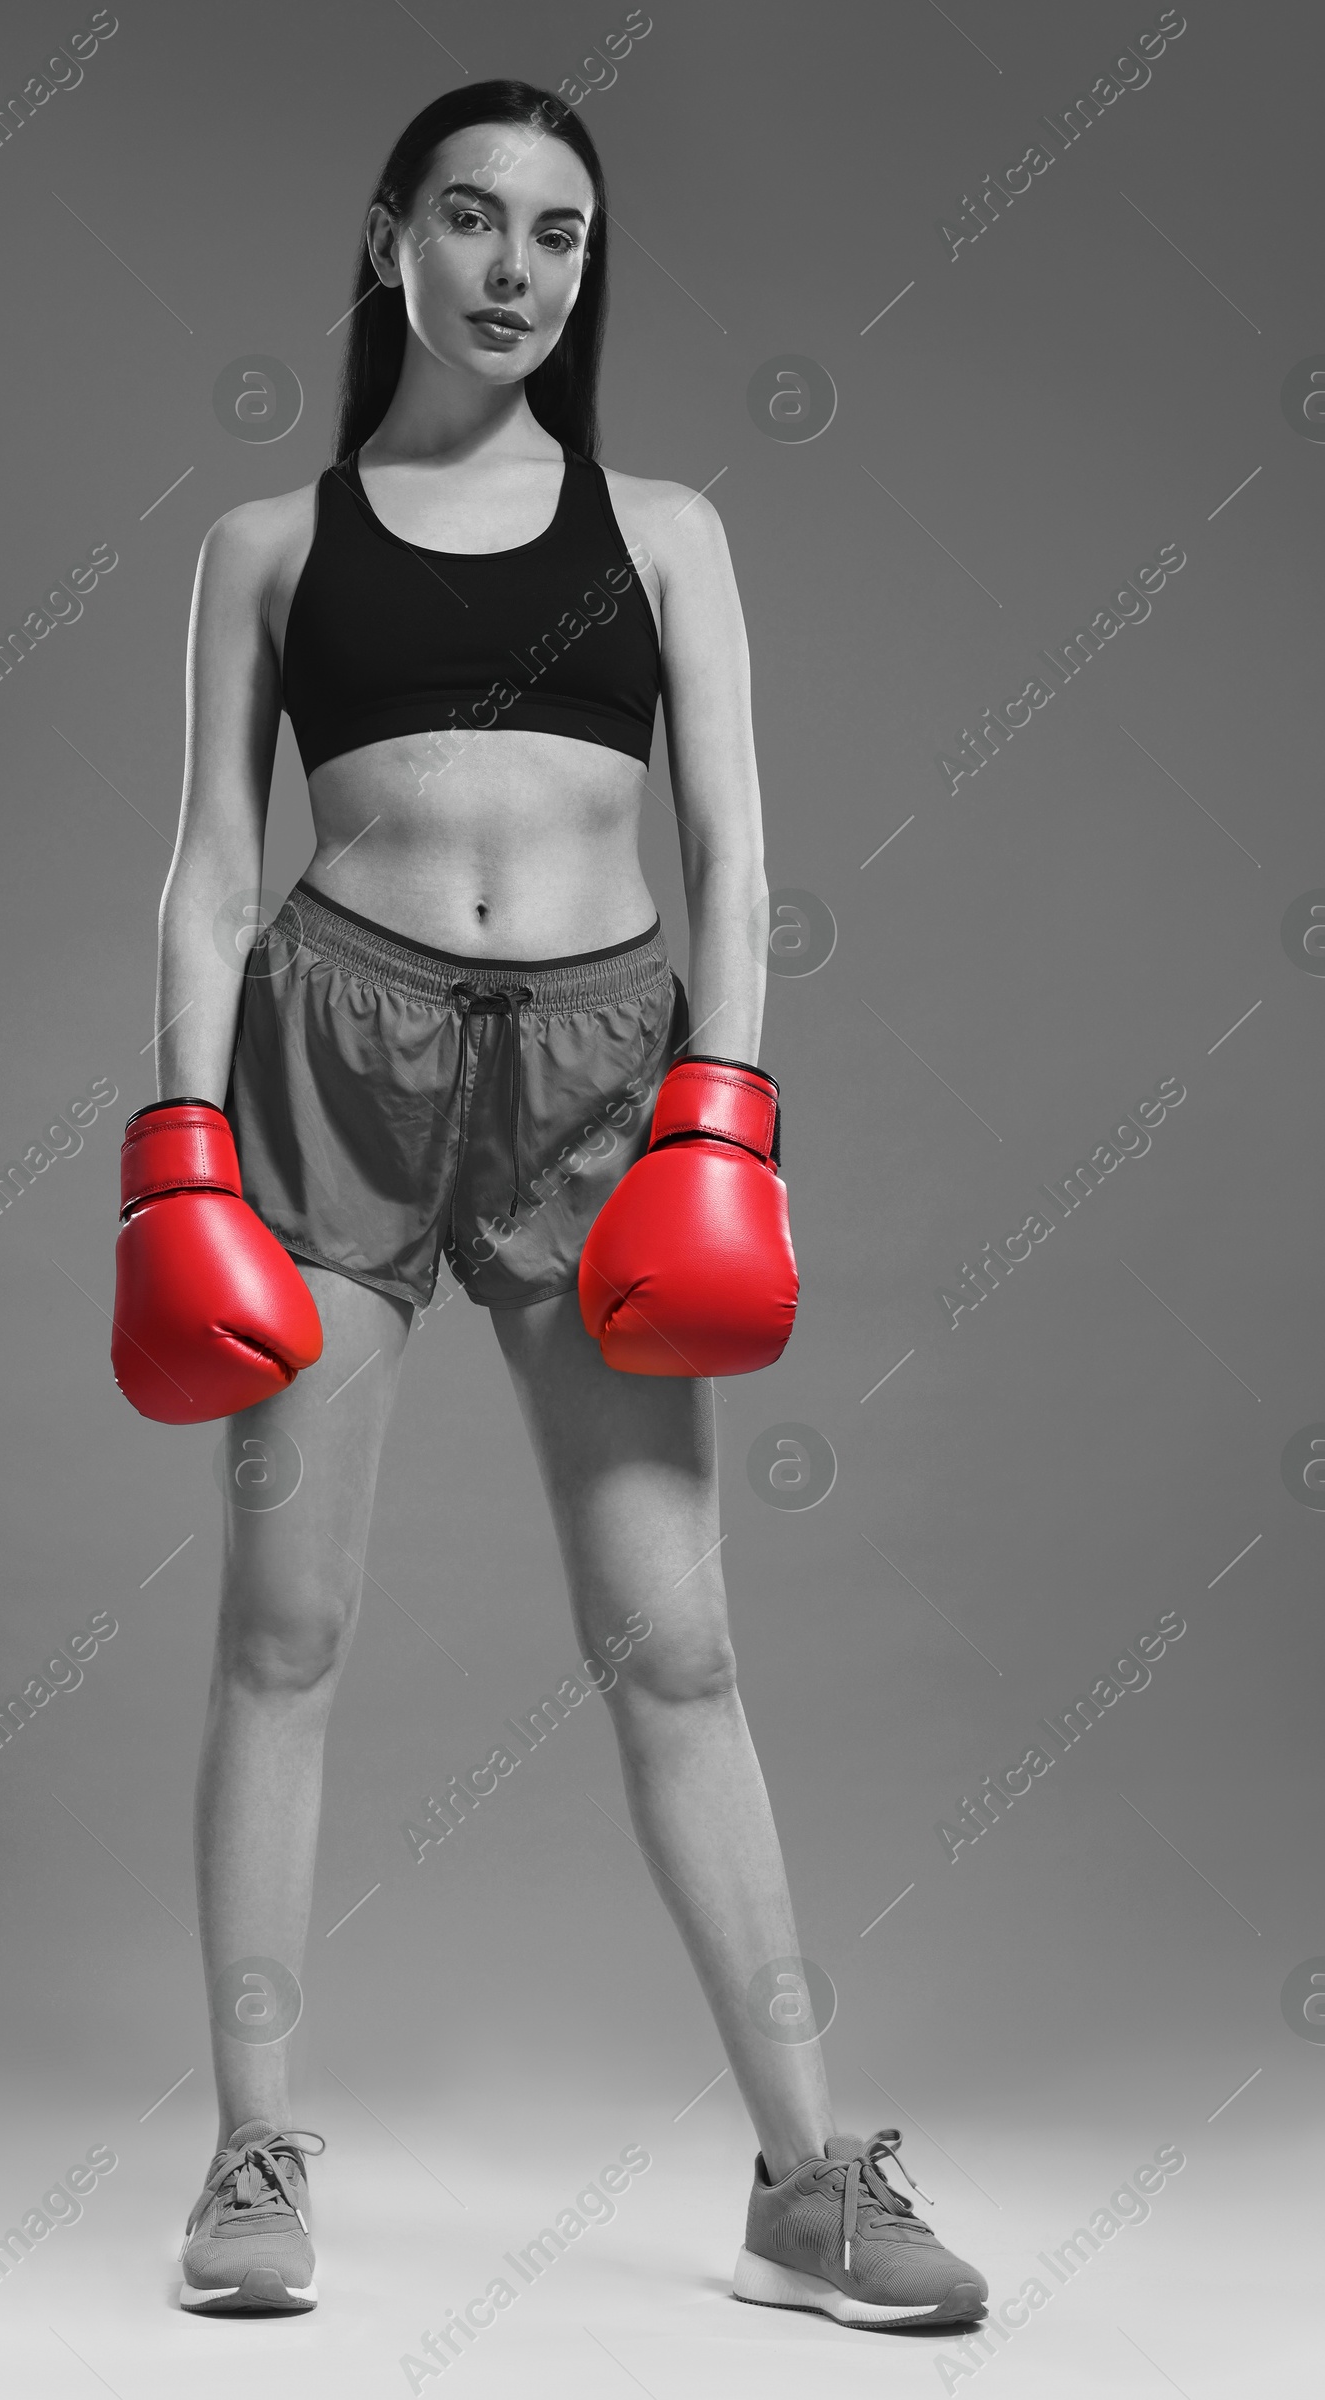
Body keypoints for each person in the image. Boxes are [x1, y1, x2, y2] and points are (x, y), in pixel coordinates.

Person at [110, 78, 989, 2336]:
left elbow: (741, 859)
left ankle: (806, 2183)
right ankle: (250, 2150)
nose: (515, 271)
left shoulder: (668, 527)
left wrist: (722, 1105)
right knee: (282, 1634)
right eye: (475, 220)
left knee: (675, 1650)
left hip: (608, 1076)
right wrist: (174, 1150)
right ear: (389, 234)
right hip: (331, 1054)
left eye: (563, 236)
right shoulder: (267, 545)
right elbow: (211, 884)